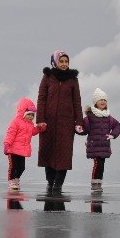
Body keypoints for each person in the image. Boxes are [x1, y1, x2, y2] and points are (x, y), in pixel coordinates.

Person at [36, 49, 84, 197]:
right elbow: (41, 99)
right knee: (48, 152)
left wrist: (79, 121)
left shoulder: (72, 79)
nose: (64, 64)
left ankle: (58, 184)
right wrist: (40, 120)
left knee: (63, 154)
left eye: (66, 61)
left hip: (66, 123)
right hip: (48, 123)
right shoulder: (47, 77)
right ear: (55, 62)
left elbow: (77, 101)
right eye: (61, 61)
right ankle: (50, 182)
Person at [81, 88, 120, 194]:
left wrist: (113, 135)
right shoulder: (89, 117)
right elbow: (84, 130)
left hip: (104, 145)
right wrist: (79, 129)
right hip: (94, 145)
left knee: (101, 164)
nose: (103, 101)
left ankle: (99, 183)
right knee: (97, 163)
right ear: (95, 102)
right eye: (100, 99)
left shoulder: (109, 117)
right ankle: (95, 184)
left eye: (105, 99)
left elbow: (118, 125)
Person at [3, 97, 46, 192]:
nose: (31, 117)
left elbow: (33, 132)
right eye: (29, 114)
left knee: (22, 167)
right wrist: (7, 144)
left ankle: (16, 179)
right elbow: (10, 133)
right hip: (13, 150)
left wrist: (40, 128)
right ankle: (12, 181)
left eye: (32, 115)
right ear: (23, 113)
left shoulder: (30, 124)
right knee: (13, 166)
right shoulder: (16, 122)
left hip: (22, 151)